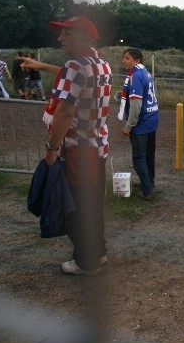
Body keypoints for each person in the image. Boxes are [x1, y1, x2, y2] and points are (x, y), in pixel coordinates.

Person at [22, 15, 113, 276]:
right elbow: (76, 78)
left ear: (83, 38)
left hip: (76, 150)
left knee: (73, 207)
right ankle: (99, 252)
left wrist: (51, 148)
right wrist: (42, 65)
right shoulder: (102, 65)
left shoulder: (75, 66)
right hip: (97, 146)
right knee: (92, 204)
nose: (60, 38)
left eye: (66, 34)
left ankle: (87, 262)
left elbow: (64, 112)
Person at [120, 47, 159, 200]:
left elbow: (136, 105)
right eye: (123, 58)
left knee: (138, 157)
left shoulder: (135, 76)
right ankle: (149, 182)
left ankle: (146, 189)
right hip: (152, 119)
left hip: (141, 124)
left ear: (137, 60)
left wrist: (128, 126)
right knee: (149, 154)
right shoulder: (146, 73)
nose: (124, 61)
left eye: (127, 58)